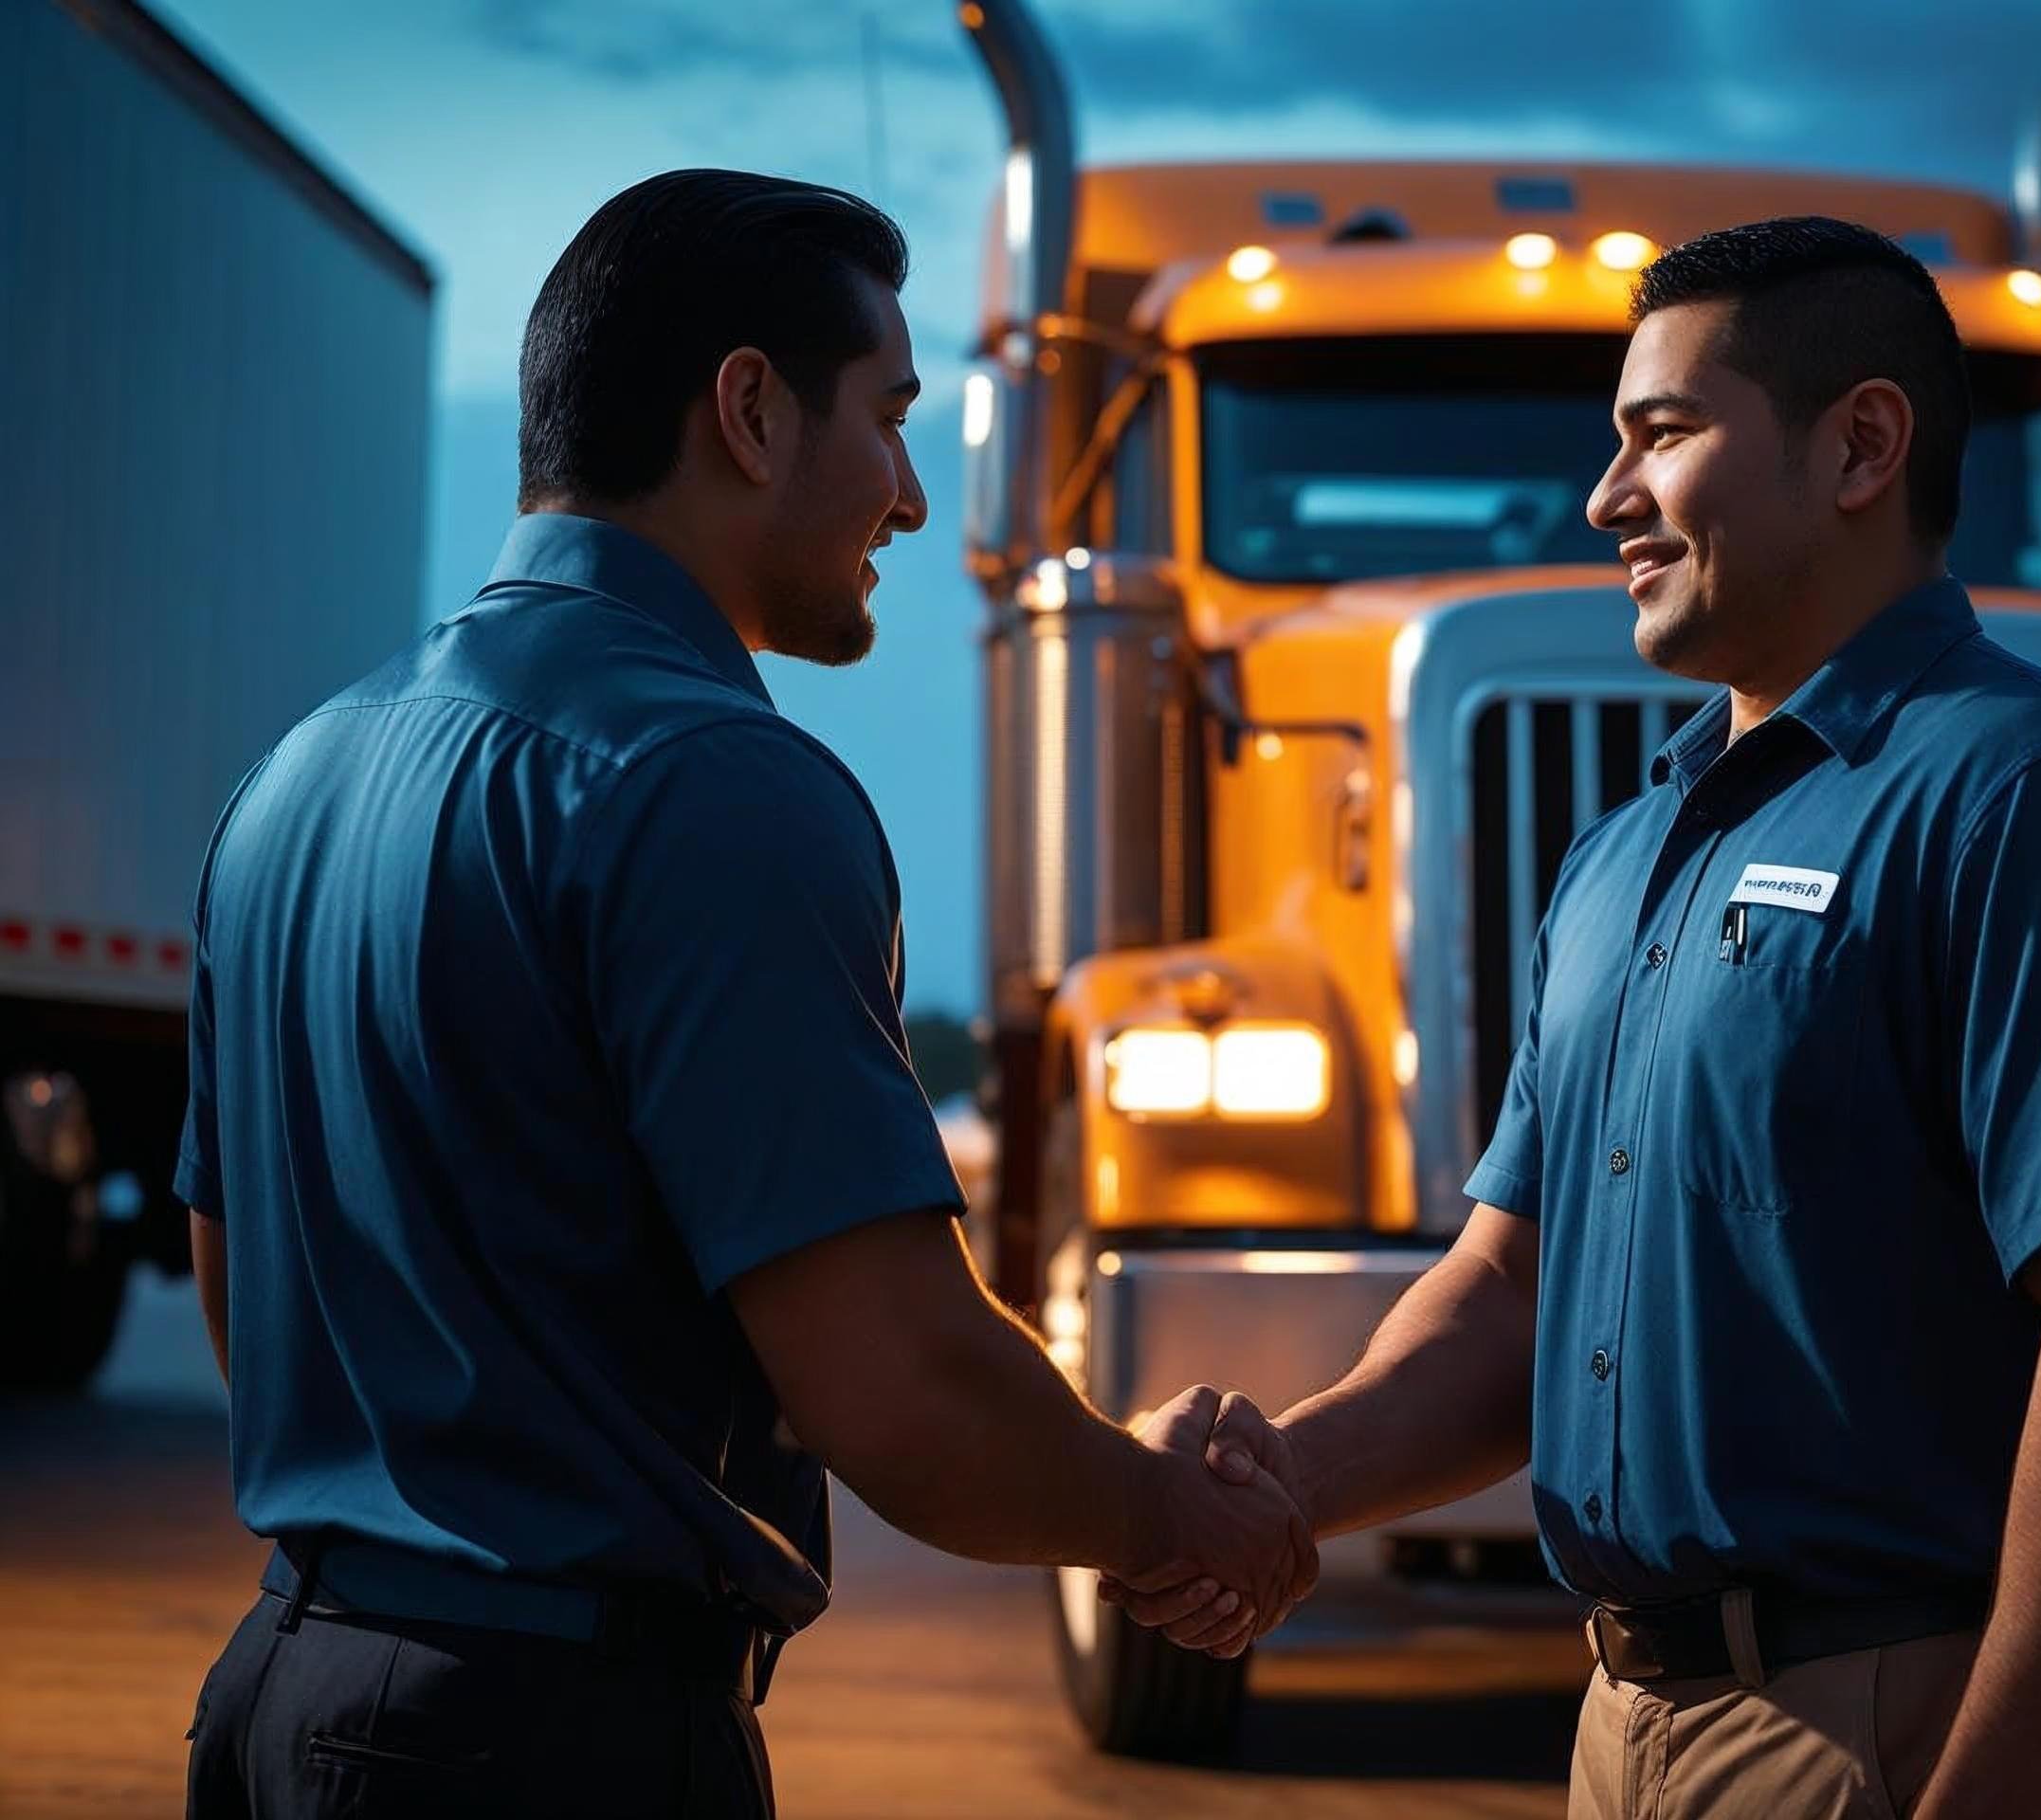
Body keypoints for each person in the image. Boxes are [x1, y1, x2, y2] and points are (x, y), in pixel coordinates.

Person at [1113, 217, 2041, 1819]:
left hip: (1912, 1724)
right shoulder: (1624, 857)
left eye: (1661, 435)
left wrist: (1989, 1792)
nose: (1603, 500)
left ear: (1861, 446)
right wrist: (1282, 1485)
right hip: (1630, 1729)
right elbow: (1514, 1284)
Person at [177, 170, 1310, 1820]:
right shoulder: (714, 784)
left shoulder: (295, 775)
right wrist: (1163, 1518)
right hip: (545, 1743)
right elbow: (899, 1384)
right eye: (893, 417)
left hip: (281, 1694)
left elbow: (241, 1295)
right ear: (752, 412)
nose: (912, 498)